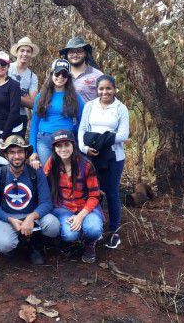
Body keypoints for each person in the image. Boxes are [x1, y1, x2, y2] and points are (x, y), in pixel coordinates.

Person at [0, 135, 59, 265]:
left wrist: (31, 217)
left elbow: (46, 203)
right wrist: (9, 219)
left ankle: (35, 245)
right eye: (12, 152)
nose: (16, 156)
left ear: (26, 154)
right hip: (9, 217)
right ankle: (17, 241)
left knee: (53, 225)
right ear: (5, 155)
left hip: (33, 215)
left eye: (20, 151)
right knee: (4, 245)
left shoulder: (36, 172)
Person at [78, 75, 129, 249]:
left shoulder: (120, 108)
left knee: (112, 192)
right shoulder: (89, 106)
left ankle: (115, 231)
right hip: (92, 155)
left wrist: (100, 139)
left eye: (108, 88)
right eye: (101, 89)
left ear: (114, 89)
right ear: (96, 90)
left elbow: (123, 134)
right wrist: (85, 148)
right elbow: (82, 130)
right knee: (93, 191)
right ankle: (96, 228)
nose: (105, 92)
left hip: (114, 157)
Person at [43, 130, 103, 263]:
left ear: (73, 145)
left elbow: (94, 195)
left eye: (66, 145)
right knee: (70, 234)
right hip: (63, 207)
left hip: (86, 207)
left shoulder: (86, 165)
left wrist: (80, 216)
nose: (63, 149)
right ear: (54, 148)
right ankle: (66, 241)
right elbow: (41, 182)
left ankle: (89, 243)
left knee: (93, 229)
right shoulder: (52, 163)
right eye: (59, 146)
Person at [28, 59, 85, 168]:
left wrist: (73, 132)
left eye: (64, 74)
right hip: (45, 141)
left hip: (66, 142)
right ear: (51, 74)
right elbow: (35, 123)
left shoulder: (76, 97)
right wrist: (33, 150)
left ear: (68, 77)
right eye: (57, 73)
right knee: (47, 175)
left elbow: (82, 121)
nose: (60, 77)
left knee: (67, 175)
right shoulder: (41, 96)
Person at [59, 36, 103, 102]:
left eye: (79, 51)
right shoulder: (60, 75)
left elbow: (106, 100)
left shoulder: (97, 75)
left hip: (89, 112)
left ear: (85, 53)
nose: (75, 54)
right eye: (71, 52)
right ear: (67, 55)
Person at [9, 37, 40, 131]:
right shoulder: (6, 68)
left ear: (31, 54)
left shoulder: (32, 77)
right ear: (17, 52)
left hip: (20, 117)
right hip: (3, 114)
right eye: (22, 50)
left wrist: (11, 94)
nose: (25, 54)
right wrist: (24, 97)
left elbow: (33, 103)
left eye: (28, 51)